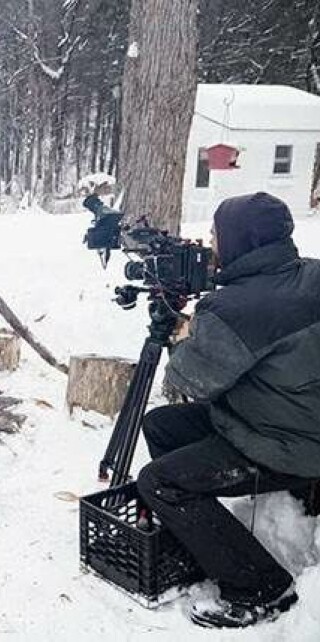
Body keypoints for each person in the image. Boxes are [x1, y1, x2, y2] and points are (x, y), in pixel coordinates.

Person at [136, 192, 320, 629]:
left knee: (158, 482)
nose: (210, 244)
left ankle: (261, 587)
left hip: (286, 446)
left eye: (217, 234)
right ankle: (208, 541)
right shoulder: (311, 275)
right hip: (291, 420)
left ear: (239, 242)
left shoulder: (235, 309)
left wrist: (183, 332)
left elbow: (189, 381)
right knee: (161, 426)